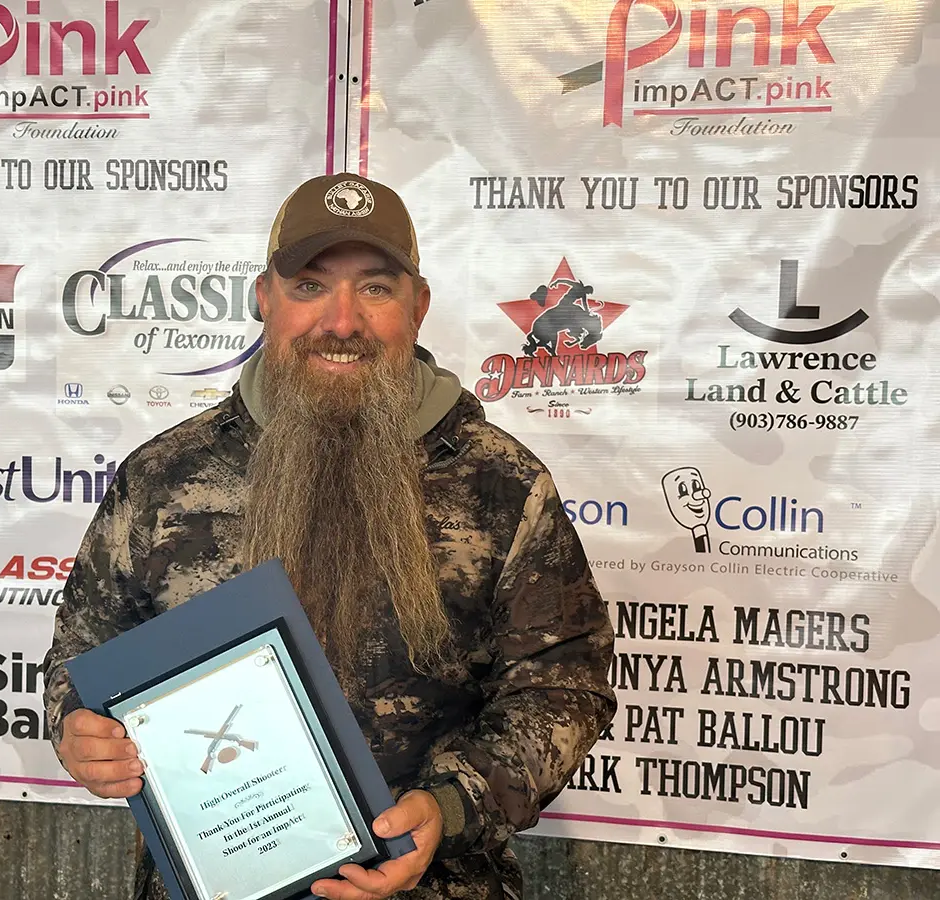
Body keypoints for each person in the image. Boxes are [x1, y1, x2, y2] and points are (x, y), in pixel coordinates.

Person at [42, 173, 617, 900]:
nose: (341, 322)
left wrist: (448, 807)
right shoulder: (162, 479)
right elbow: (81, 653)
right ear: (263, 299)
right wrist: (77, 727)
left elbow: (565, 683)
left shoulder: (501, 485)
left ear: (419, 305)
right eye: (310, 286)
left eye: (375, 289)